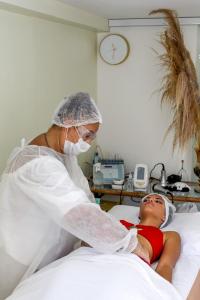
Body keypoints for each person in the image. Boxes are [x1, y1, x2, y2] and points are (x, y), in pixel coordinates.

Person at [0, 92, 139, 300]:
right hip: (23, 257)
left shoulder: (65, 156)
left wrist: (100, 230)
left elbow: (86, 199)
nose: (89, 143)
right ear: (67, 122)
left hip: (52, 257)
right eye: (87, 135)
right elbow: (78, 212)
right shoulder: (36, 163)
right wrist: (130, 243)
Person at [120, 193, 181, 282]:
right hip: (104, 254)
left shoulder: (169, 235)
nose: (150, 201)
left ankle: (129, 242)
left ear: (165, 216)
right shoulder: (122, 223)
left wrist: (163, 292)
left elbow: (165, 266)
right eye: (146, 200)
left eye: (158, 201)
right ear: (140, 213)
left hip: (132, 261)